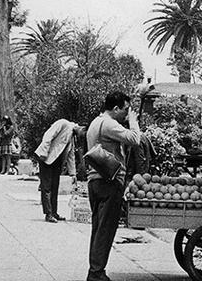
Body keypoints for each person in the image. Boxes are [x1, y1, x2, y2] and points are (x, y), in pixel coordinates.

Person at [86, 91, 141, 281]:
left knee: (98, 228)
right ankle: (96, 273)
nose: (127, 113)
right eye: (125, 109)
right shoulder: (109, 124)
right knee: (106, 229)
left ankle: (95, 270)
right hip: (109, 181)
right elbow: (135, 139)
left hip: (95, 180)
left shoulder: (96, 122)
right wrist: (134, 121)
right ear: (115, 108)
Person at [35, 118, 81, 223]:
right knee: (46, 187)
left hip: (57, 162)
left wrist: (73, 174)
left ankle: (54, 212)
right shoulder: (63, 123)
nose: (81, 134)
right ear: (80, 127)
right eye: (83, 131)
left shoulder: (72, 137)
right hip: (46, 158)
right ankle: (48, 214)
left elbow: (71, 155)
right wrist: (44, 152)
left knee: (55, 187)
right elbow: (48, 135)